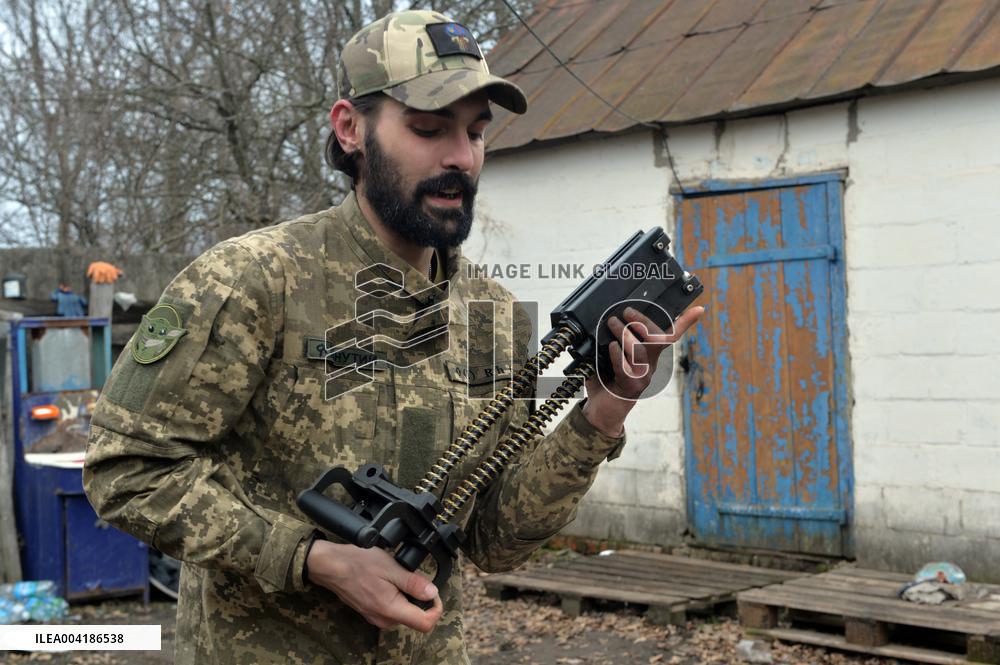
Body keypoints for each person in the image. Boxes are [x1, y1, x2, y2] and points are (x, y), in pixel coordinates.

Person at [83, 9, 703, 665]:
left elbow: (494, 539)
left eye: (476, 132)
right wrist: (314, 558)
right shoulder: (253, 280)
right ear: (350, 128)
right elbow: (125, 471)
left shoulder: (488, 310)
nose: (461, 158)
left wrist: (606, 407)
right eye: (429, 129)